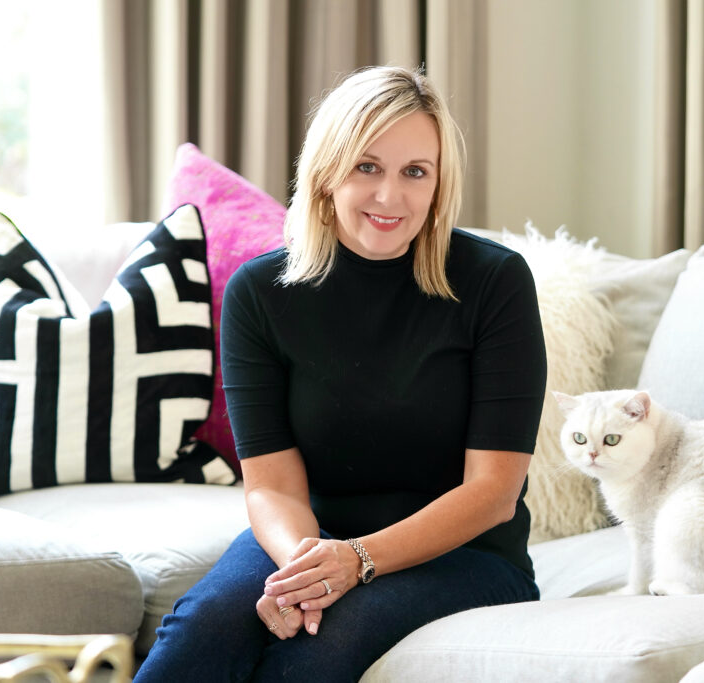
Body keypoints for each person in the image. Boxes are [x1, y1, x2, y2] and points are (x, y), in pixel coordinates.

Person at [134, 65, 547, 682]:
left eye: (415, 172)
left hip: (468, 554)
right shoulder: (260, 293)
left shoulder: (494, 282)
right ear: (327, 174)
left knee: (319, 647)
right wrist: (306, 569)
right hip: (315, 538)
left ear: (440, 182)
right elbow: (272, 486)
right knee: (204, 625)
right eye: (367, 167)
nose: (390, 196)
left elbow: (492, 493)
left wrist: (356, 561)